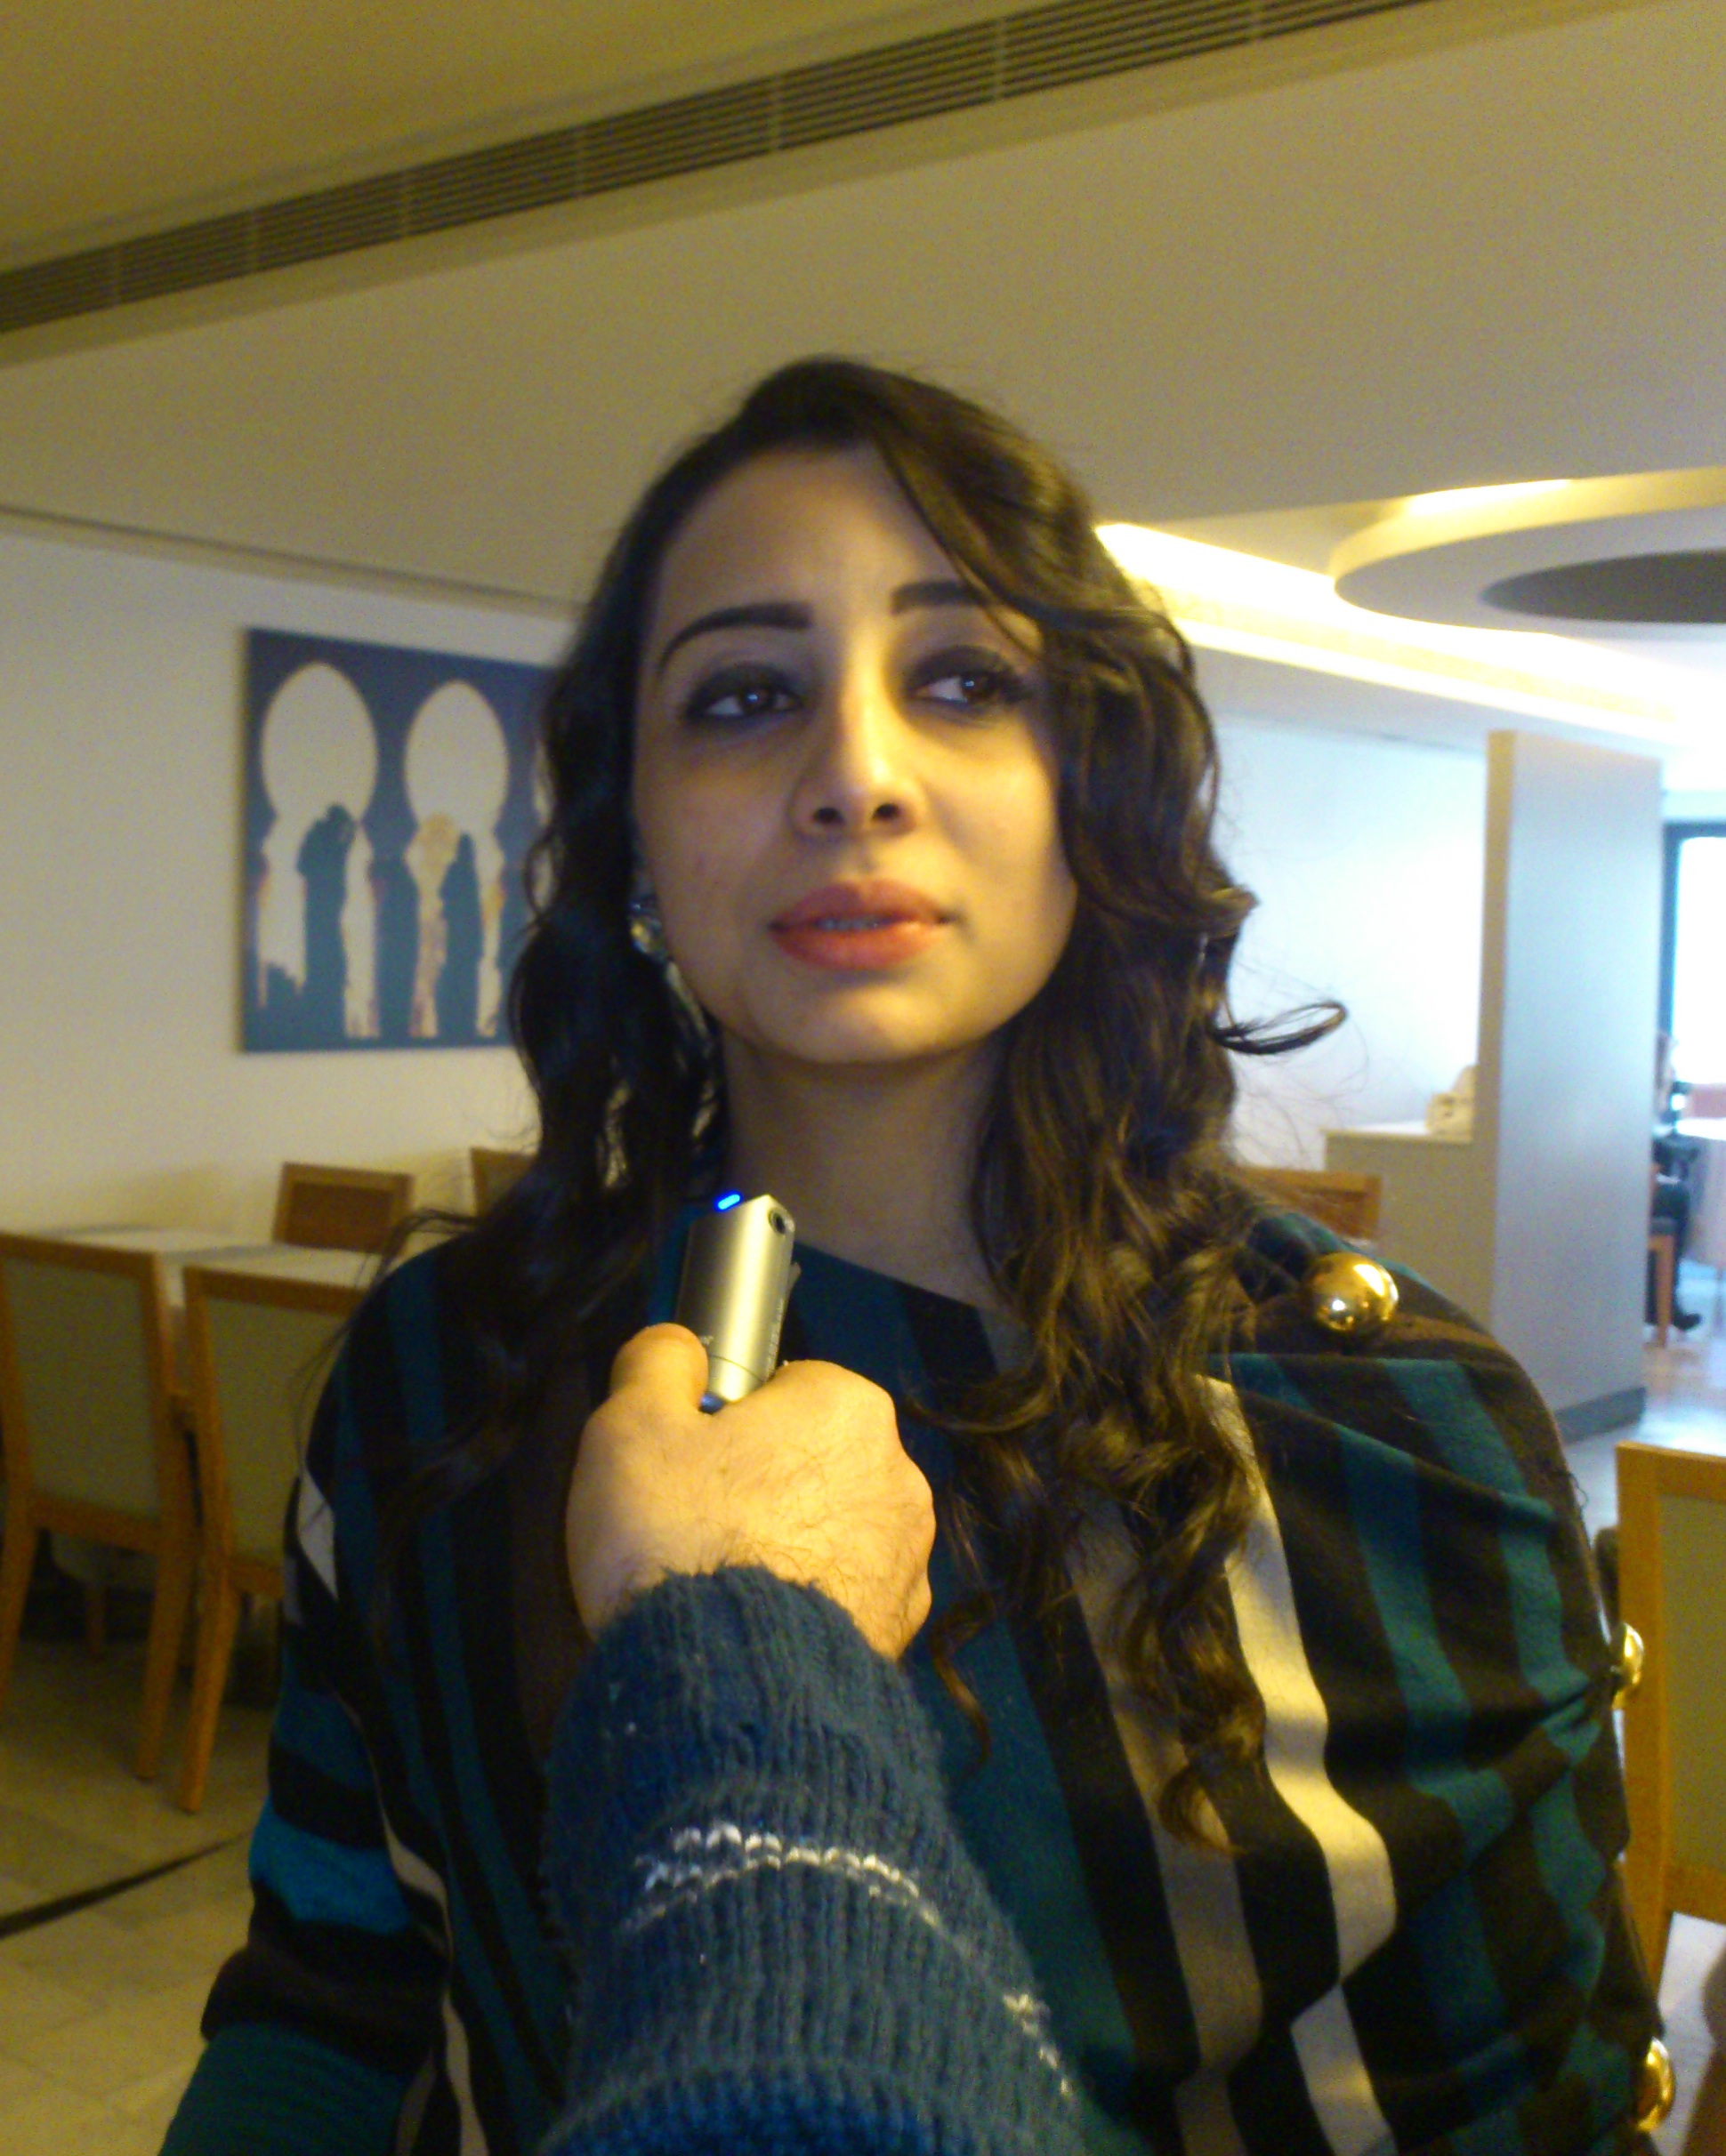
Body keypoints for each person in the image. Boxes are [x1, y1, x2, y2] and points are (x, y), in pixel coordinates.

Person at [163, 358, 1656, 2156]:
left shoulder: (1405, 1429)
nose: (856, 774)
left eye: (962, 681)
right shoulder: (442, 1380)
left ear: (1088, 798)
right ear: (632, 844)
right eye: (743, 697)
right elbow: (328, 2003)